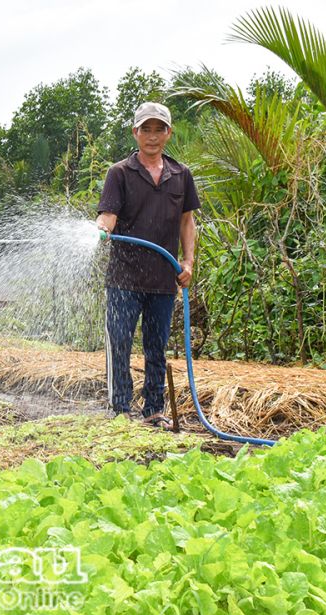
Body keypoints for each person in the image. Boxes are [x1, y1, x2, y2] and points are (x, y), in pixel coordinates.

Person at [95, 102, 198, 429]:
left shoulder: (181, 175)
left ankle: (154, 411)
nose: (152, 136)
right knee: (120, 342)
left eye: (159, 129)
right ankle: (119, 409)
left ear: (168, 132)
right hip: (124, 278)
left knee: (157, 348)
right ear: (135, 132)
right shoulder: (120, 173)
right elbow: (108, 215)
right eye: (146, 129)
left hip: (162, 279)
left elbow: (187, 221)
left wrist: (188, 262)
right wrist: (102, 229)